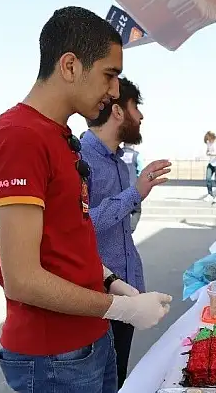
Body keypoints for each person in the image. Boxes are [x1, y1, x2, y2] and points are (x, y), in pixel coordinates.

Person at [0, 7, 172, 392]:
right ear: (69, 66)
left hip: (90, 339)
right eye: (109, 75)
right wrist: (122, 309)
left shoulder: (60, 138)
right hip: (54, 355)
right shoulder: (20, 138)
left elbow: (69, 238)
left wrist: (113, 282)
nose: (115, 91)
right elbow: (22, 280)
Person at [82, 76, 172, 387]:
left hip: (128, 288)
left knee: (116, 378)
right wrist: (133, 194)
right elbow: (81, 224)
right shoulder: (80, 158)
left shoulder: (122, 163)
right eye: (136, 107)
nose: (141, 117)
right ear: (118, 111)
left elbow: (123, 227)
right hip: (95, 296)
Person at [121, 143, 145, 232]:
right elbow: (141, 172)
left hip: (119, 188)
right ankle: (130, 229)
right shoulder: (136, 155)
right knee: (136, 210)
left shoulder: (117, 154)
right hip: (133, 188)